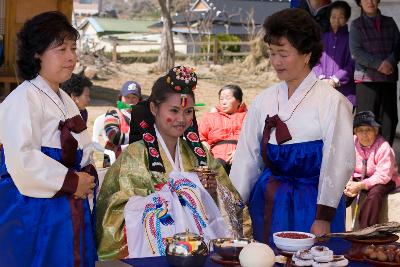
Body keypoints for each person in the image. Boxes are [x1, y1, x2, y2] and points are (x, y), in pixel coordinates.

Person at [96, 66, 250, 260]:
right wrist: (180, 193)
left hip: (202, 249)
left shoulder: (199, 154)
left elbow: (233, 202)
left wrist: (212, 193)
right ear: (153, 108)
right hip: (156, 251)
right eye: (174, 110)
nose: (181, 119)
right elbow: (120, 207)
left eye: (188, 112)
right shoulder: (137, 154)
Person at [230, 8, 355, 244]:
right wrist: (234, 207)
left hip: (313, 204)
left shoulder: (332, 101)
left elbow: (338, 160)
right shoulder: (263, 100)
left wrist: (324, 214)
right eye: (272, 53)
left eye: (283, 54)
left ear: (306, 54)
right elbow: (247, 157)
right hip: (268, 200)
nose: (276, 61)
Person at [0, 11, 97, 266]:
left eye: (73, 48)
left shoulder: (66, 100)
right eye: (61, 49)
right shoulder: (23, 98)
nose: (71, 56)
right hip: (35, 212)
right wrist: (71, 180)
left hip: (67, 207)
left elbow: (83, 149)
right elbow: (22, 159)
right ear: (37, 54)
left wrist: (86, 175)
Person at [350, 0, 400, 146]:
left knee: (389, 122)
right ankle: (365, 163)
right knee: (365, 124)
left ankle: (385, 161)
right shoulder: (356, 25)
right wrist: (379, 65)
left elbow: (399, 45)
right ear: (359, 3)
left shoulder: (390, 22)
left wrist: (390, 61)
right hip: (366, 82)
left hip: (388, 79)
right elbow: (356, 52)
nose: (369, 2)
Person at [345, 111, 399, 228]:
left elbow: (383, 176)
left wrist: (361, 185)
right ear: (355, 132)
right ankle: (333, 228)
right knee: (341, 191)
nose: (364, 135)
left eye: (368, 130)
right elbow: (346, 165)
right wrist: (348, 183)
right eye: (360, 130)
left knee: (375, 194)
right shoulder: (351, 142)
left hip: (385, 179)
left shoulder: (383, 147)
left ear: (376, 131)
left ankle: (367, 229)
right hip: (359, 176)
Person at [313, 1, 356, 107]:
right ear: (329, 18)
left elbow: (352, 64)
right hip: (323, 91)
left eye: (341, 17)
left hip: (346, 94)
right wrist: (322, 78)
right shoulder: (322, 38)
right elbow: (315, 61)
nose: (336, 20)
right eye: (333, 16)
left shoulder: (352, 38)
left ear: (346, 19)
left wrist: (335, 79)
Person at [199, 84, 247, 174]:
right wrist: (204, 145)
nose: (224, 102)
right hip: (216, 158)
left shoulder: (247, 117)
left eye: (228, 98)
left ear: (238, 101)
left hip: (241, 156)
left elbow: (254, 138)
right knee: (218, 167)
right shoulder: (210, 117)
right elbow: (200, 135)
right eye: (221, 99)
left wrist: (241, 151)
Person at [103, 80, 142, 167]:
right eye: (127, 97)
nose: (130, 100)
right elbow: (113, 136)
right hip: (116, 161)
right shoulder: (113, 113)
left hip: (138, 160)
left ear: (139, 100)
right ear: (121, 98)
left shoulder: (143, 116)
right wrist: (139, 137)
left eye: (134, 97)